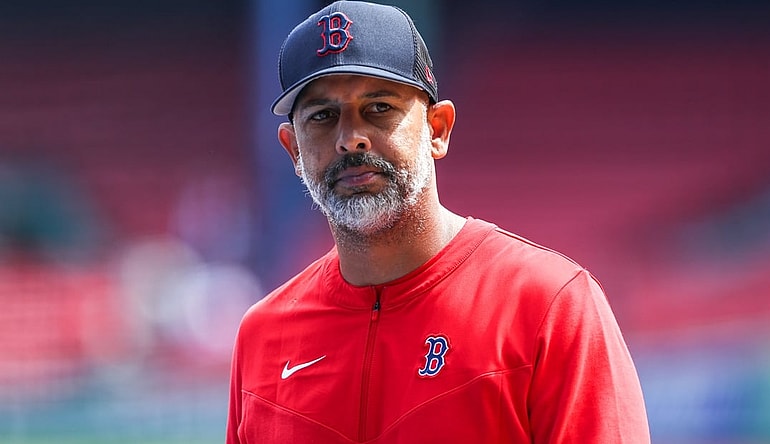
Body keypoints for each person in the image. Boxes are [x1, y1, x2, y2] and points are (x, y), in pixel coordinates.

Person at [227, 1, 651, 443]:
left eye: (378, 107)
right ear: (293, 149)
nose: (350, 137)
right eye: (322, 116)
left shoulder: (549, 304)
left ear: (438, 128)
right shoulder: (264, 335)